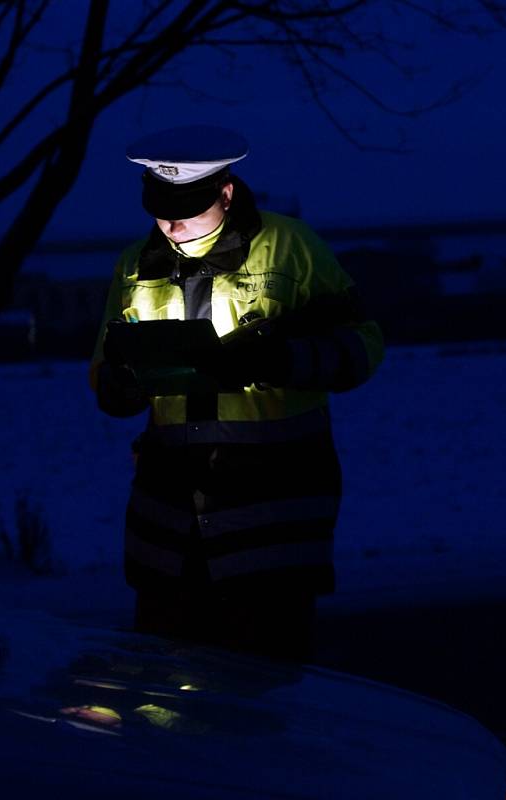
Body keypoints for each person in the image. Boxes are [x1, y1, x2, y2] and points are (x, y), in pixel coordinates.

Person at [90, 124, 384, 662]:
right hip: (169, 531)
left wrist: (282, 360)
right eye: (159, 206)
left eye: (187, 206)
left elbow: (364, 347)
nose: (171, 222)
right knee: (162, 691)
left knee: (263, 699)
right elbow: (105, 370)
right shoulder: (134, 263)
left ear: (227, 192)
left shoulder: (291, 246)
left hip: (273, 525)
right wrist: (119, 382)